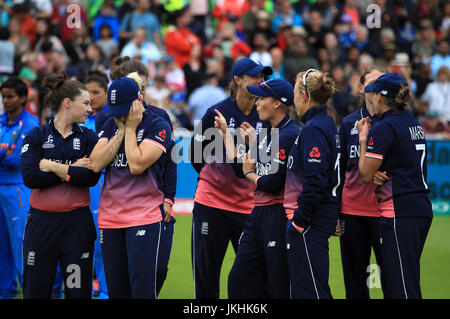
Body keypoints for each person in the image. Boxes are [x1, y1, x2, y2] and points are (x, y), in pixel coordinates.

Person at [189, 57, 272, 299]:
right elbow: (196, 154)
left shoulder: (266, 115)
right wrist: (213, 176)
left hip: (249, 207)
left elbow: (269, 162)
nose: (261, 80)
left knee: (252, 281)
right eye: (255, 76)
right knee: (206, 280)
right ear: (238, 80)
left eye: (263, 76)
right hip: (211, 205)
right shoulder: (216, 113)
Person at [94, 57, 177, 296]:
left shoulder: (158, 121)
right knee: (118, 290)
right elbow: (97, 163)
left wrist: (169, 198)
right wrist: (122, 128)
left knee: (149, 281)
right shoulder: (109, 119)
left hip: (145, 213)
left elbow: (138, 165)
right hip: (111, 218)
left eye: (143, 86)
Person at [20, 71, 100, 298]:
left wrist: (55, 167)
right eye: (85, 103)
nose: (90, 109)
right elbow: (31, 178)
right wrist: (73, 169)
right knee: (36, 291)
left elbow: (91, 177)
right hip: (41, 225)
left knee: (77, 291)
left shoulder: (88, 137)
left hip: (77, 226)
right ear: (67, 103)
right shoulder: (36, 135)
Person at [217, 78, 300, 299]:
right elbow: (239, 167)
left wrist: (250, 173)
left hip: (278, 215)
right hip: (258, 214)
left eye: (262, 98)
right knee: (239, 280)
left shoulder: (289, 135)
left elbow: (272, 183)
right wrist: (226, 134)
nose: (256, 103)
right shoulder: (266, 132)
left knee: (277, 284)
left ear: (277, 104)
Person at [357, 73, 433, 299]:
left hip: (400, 210)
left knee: (402, 287)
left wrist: (363, 139)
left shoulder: (384, 127)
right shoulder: (410, 119)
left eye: (373, 93)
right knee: (403, 280)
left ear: (379, 97)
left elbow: (364, 174)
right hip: (418, 208)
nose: (371, 97)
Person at [284, 69, 340, 299]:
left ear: (305, 96)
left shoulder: (315, 128)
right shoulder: (325, 123)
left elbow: (315, 179)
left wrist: (299, 221)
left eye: (296, 93)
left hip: (311, 219)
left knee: (312, 290)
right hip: (320, 215)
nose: (293, 99)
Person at [338, 65, 391, 299]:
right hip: (352, 212)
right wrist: (335, 211)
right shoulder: (348, 122)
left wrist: (386, 172)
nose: (377, 86)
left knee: (390, 282)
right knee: (355, 284)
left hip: (385, 213)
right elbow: (338, 170)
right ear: (361, 88)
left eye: (382, 81)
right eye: (372, 82)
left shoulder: (393, 122)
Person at [0, 77, 39, 299]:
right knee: (1, 244)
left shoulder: (31, 124)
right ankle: (6, 291)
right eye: (3, 96)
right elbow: (9, 156)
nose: (5, 101)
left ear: (23, 98)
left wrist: (6, 154)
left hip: (17, 190)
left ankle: (31, 290)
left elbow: (17, 160)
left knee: (20, 243)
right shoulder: (1, 121)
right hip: (1, 187)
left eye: (10, 96)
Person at [83, 70, 109, 299]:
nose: (91, 97)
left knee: (103, 243)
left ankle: (105, 291)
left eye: (96, 92)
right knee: (82, 240)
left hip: (104, 185)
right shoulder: (79, 119)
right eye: (87, 92)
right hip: (82, 186)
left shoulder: (112, 119)